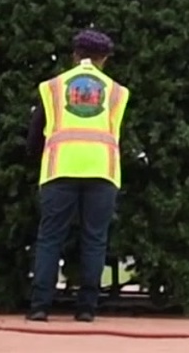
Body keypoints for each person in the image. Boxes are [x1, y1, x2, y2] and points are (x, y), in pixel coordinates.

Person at [25, 29, 131, 323]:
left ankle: (39, 306)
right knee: (95, 239)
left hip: (59, 169)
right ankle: (86, 308)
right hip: (103, 171)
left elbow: (36, 131)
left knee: (50, 238)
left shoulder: (54, 87)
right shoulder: (117, 92)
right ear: (105, 59)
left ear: (75, 55)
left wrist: (35, 156)